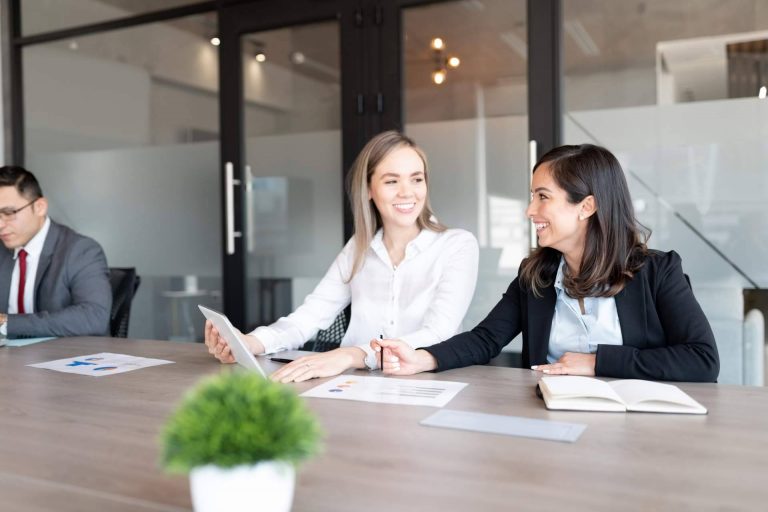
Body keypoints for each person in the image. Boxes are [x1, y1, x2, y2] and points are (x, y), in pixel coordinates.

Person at [373, 144, 720, 383]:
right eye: (531, 196)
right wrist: (422, 358)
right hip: (552, 423)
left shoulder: (658, 272)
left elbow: (702, 360)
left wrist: (597, 362)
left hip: (641, 434)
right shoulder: (535, 276)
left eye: (543, 197)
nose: (529, 211)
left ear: (586, 206)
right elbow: (485, 339)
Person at [205, 130, 479, 382]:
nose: (407, 192)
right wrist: (249, 343)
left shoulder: (457, 245)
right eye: (391, 181)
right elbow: (310, 317)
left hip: (431, 384)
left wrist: (351, 355)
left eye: (416, 179)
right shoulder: (357, 249)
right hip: (359, 386)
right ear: (369, 190)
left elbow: (438, 333)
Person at [0, 166, 111, 340]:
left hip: (63, 358)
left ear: (40, 207)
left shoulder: (80, 250)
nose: (0, 225)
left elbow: (93, 316)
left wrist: (8, 324)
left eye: (8, 213)